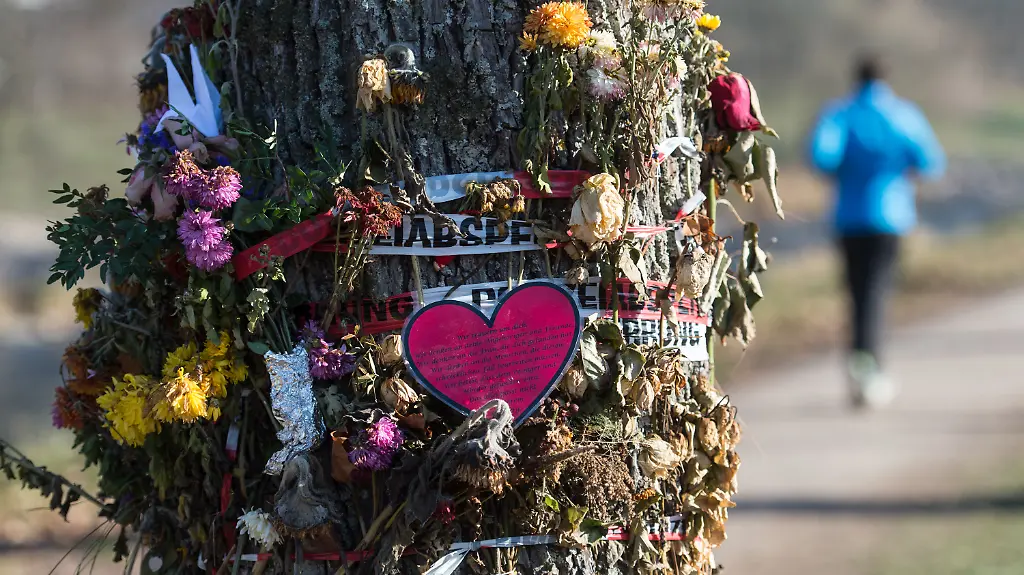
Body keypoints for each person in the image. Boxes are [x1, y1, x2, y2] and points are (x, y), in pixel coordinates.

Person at [808, 55, 946, 408]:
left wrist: (850, 169)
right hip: (891, 217)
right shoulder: (903, 114)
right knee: (876, 293)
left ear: (856, 78)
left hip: (849, 218)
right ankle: (869, 368)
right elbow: (930, 162)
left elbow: (822, 157)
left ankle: (861, 365)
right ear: (886, 79)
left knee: (858, 293)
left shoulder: (840, 114)